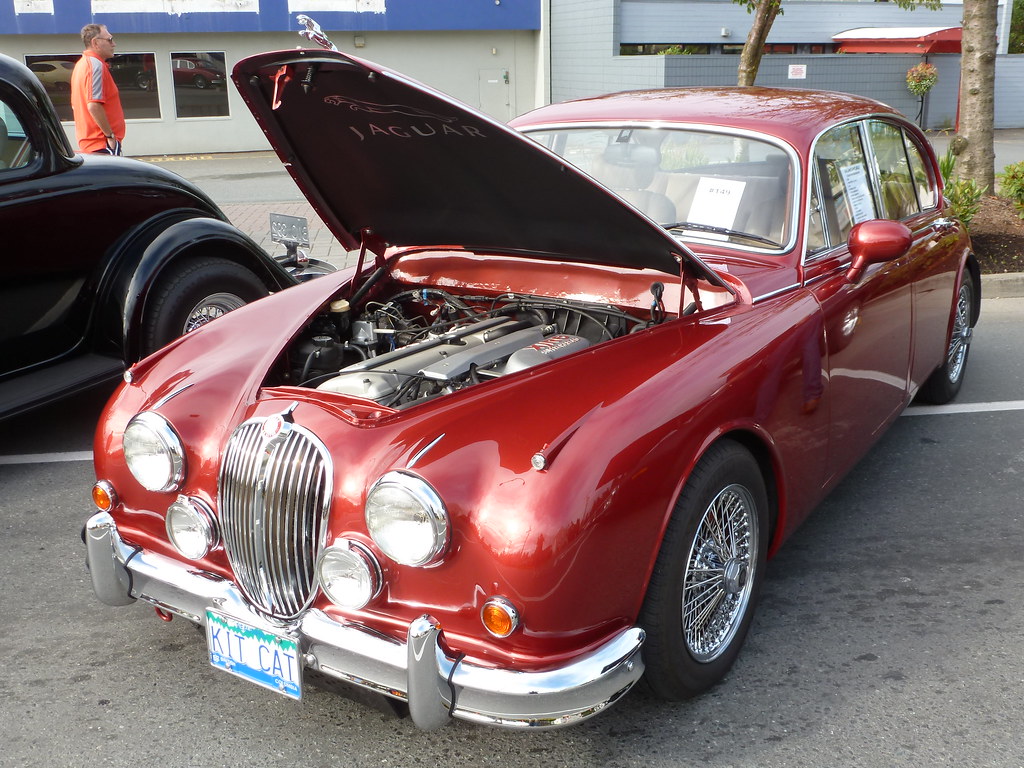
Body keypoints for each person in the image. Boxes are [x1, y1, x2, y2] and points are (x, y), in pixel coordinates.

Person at [71, 24, 125, 155]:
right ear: (95, 43)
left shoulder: (82, 65)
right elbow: (93, 106)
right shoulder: (94, 66)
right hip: (101, 143)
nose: (114, 44)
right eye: (110, 39)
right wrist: (110, 136)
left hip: (94, 143)